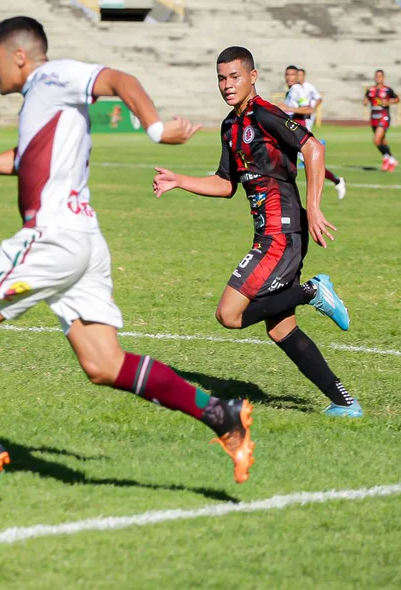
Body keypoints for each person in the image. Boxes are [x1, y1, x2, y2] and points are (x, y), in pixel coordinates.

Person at [0, 17, 255, 504]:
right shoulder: (42, 100)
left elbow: (119, 80)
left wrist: (156, 128)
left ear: (19, 56)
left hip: (53, 236)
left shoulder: (52, 75)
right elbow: (27, 157)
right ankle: (221, 415)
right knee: (104, 364)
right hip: (83, 241)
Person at [152, 46, 361, 419]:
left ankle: (312, 290)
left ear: (252, 76)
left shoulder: (265, 114)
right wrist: (179, 181)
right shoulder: (230, 126)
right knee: (281, 330)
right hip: (268, 234)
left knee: (229, 314)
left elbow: (313, 148)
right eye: (221, 77)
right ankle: (345, 402)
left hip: (282, 234)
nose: (227, 84)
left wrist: (313, 206)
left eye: (234, 76)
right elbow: (224, 183)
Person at [279, 66, 346, 199]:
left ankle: (336, 182)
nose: (289, 77)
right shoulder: (292, 91)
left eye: (292, 74)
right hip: (292, 132)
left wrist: (286, 108)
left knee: (312, 167)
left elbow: (308, 110)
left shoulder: (298, 90)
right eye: (287, 74)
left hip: (299, 132)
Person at [364, 69, 399, 172]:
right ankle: (387, 159)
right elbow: (366, 99)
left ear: (383, 77)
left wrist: (388, 102)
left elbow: (397, 99)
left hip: (383, 116)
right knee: (382, 140)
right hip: (374, 117)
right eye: (376, 76)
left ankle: (390, 159)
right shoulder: (370, 90)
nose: (378, 78)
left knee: (376, 140)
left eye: (380, 76)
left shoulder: (388, 90)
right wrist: (365, 101)